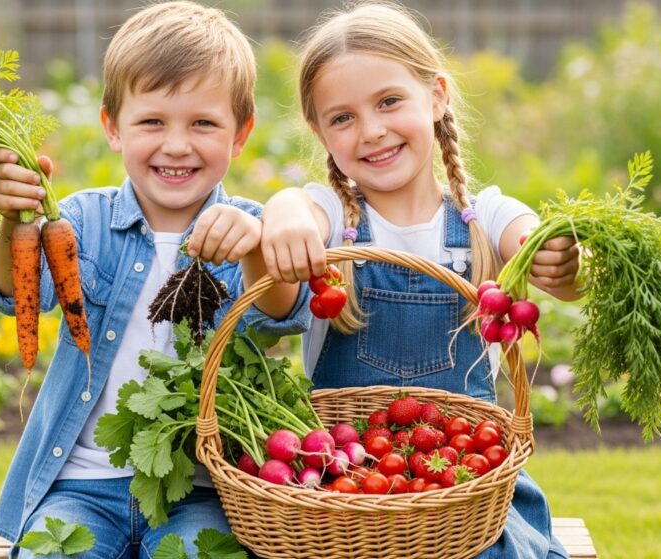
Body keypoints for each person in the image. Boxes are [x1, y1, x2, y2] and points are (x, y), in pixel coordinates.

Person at [0, 2, 307, 557]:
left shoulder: (248, 227)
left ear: (241, 133)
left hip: (202, 490)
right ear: (113, 127)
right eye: (153, 122)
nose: (176, 145)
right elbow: (15, 295)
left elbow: (280, 311)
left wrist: (255, 245)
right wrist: (14, 222)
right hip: (80, 486)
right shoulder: (79, 221)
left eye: (203, 123)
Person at [260, 2, 580, 557]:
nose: (372, 131)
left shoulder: (488, 218)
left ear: (436, 96)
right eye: (342, 118)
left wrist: (560, 258)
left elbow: (544, 254)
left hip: (464, 490)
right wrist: (283, 210)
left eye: (389, 101)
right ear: (320, 132)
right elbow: (295, 214)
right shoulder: (330, 219)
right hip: (347, 493)